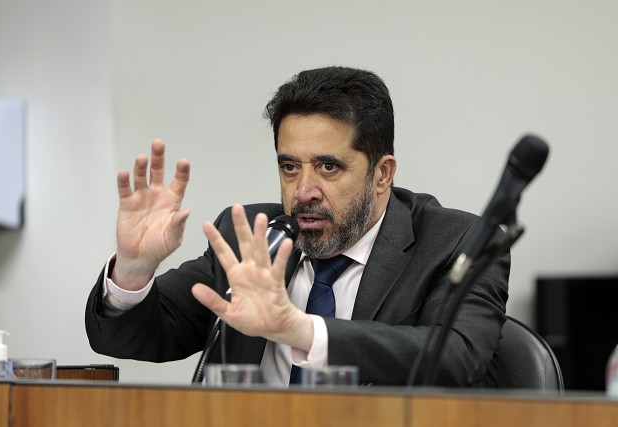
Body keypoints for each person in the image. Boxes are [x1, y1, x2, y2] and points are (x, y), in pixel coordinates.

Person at [85, 66, 509, 387]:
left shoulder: (456, 243)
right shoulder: (254, 237)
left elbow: (457, 358)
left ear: (382, 174)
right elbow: (129, 338)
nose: (304, 191)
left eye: (328, 167)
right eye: (290, 167)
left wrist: (300, 330)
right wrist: (133, 269)